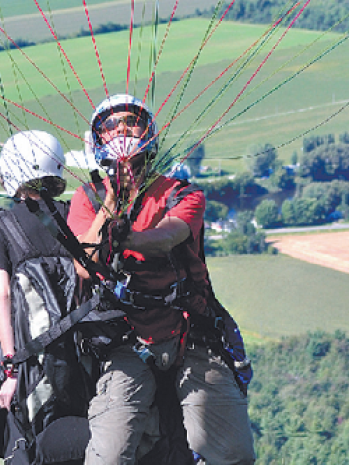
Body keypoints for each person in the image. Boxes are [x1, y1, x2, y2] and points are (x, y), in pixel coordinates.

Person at [67, 94, 257, 464]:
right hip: (125, 340)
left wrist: (127, 238)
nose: (121, 129)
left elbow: (167, 236)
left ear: (149, 133)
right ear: (97, 140)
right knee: (108, 456)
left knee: (233, 452)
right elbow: (83, 264)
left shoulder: (182, 194)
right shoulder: (88, 198)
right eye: (110, 124)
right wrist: (113, 200)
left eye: (131, 121)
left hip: (190, 333)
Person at [0, 129, 93, 465]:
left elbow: (3, 296)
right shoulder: (77, 215)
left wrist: (11, 369)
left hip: (32, 367)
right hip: (88, 358)